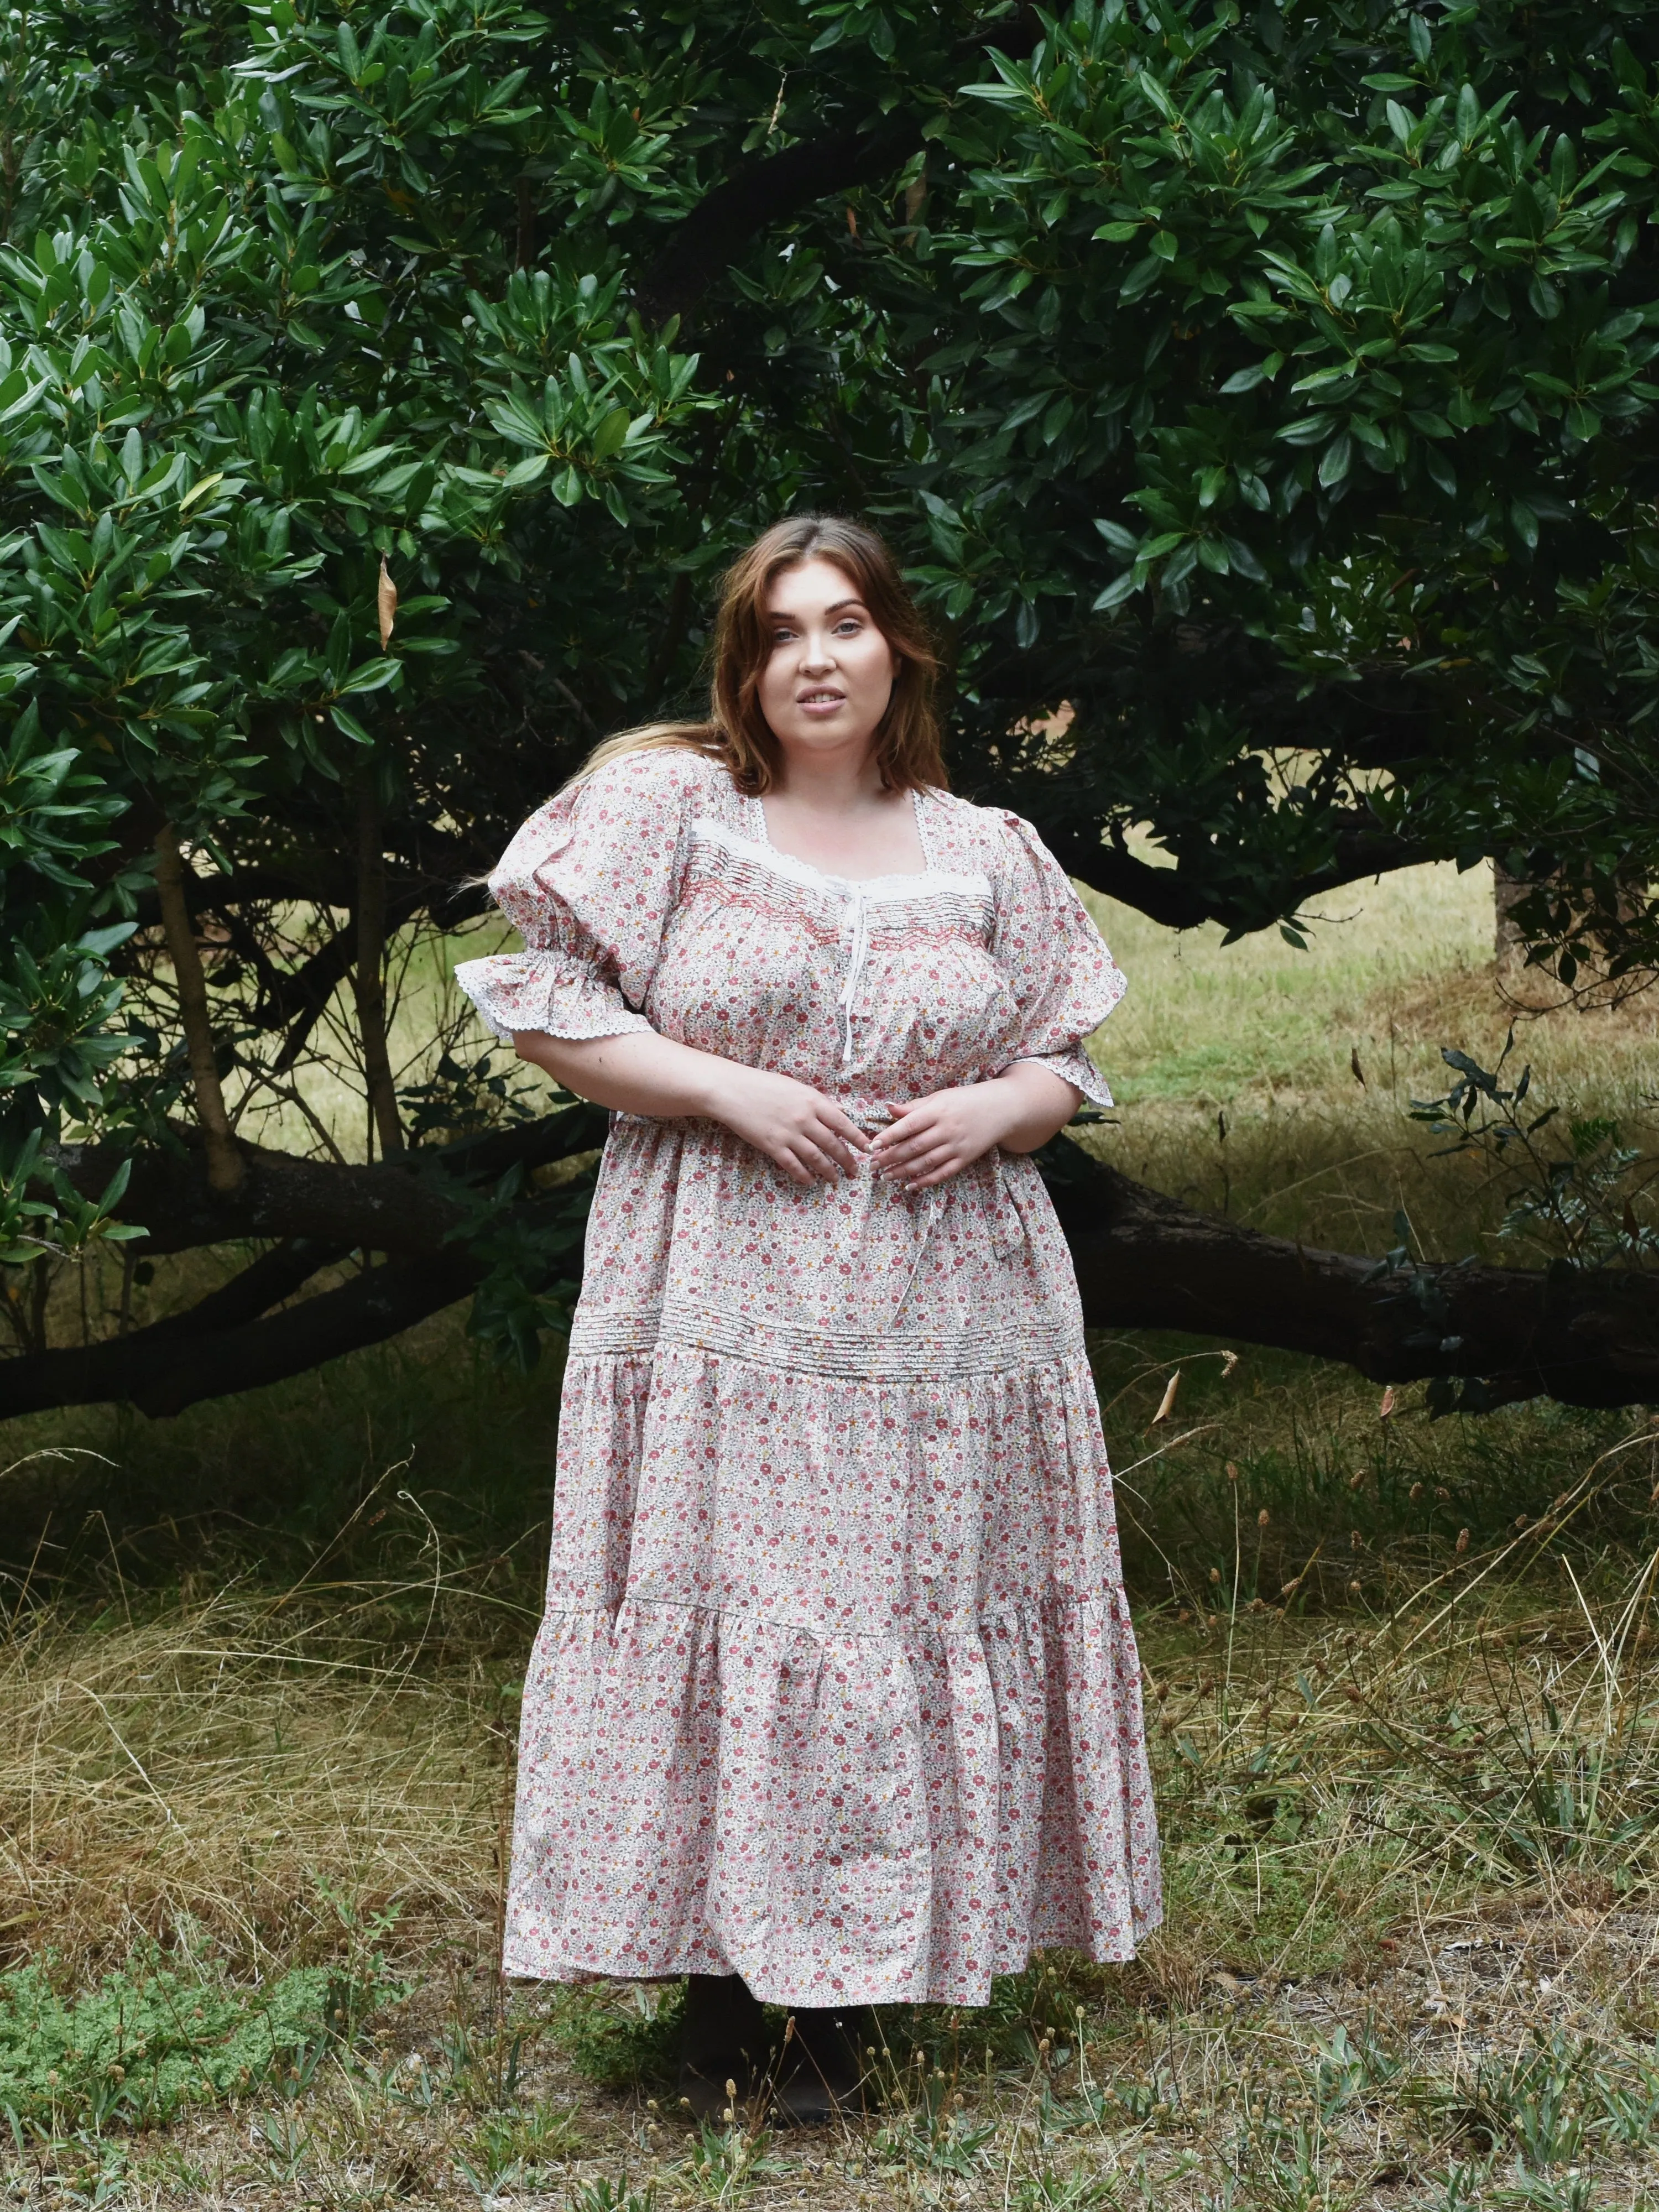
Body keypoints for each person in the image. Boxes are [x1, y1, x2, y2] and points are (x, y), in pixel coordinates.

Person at [457, 515, 1160, 2124]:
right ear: (746, 663)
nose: (817, 657)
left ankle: (837, 2014)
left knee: (887, 1618)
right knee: (736, 1604)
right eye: (782, 632)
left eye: (846, 623)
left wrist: (997, 1112)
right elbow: (547, 1004)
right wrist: (728, 1088)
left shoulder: (988, 848)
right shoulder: (676, 809)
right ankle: (724, 2001)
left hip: (946, 1307)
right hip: (720, 1280)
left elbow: (1071, 1055)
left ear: (898, 645)